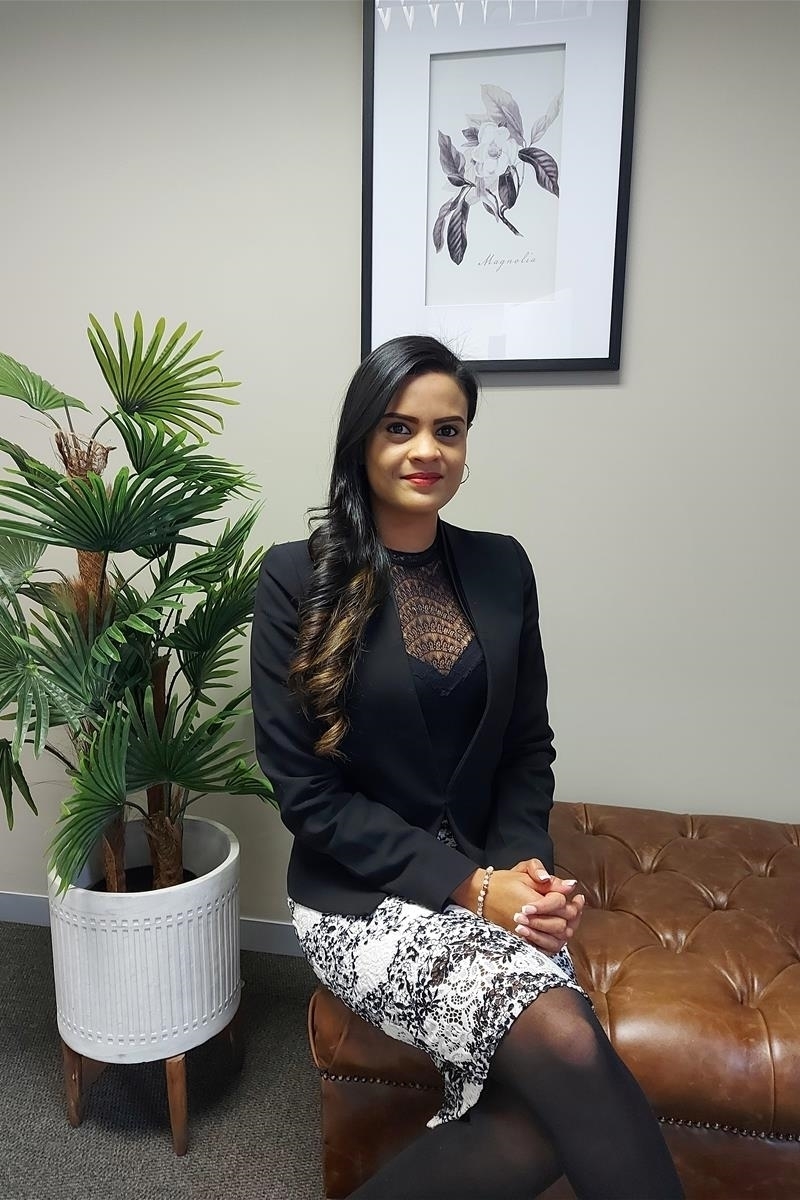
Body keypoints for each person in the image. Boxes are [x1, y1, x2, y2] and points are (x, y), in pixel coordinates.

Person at [250, 336, 683, 1199]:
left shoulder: (501, 565)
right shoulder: (298, 578)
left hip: (494, 877)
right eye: (399, 428)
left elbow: (526, 748)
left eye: (447, 430)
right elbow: (307, 794)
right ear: (361, 440)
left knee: (542, 1118)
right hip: (362, 898)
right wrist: (475, 889)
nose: (427, 450)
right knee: (566, 1044)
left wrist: (525, 869)